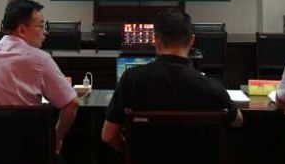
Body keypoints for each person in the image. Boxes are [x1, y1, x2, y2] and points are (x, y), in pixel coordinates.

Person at [101, 9, 243, 152]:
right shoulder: (211, 87)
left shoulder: (130, 79)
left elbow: (108, 136)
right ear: (192, 40)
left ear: (155, 40)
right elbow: (238, 120)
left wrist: (131, 155)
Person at [0, 0, 78, 154]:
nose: (45, 32)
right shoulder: (40, 60)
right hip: (26, 154)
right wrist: (56, 138)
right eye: (41, 26)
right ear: (21, 30)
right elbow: (71, 104)